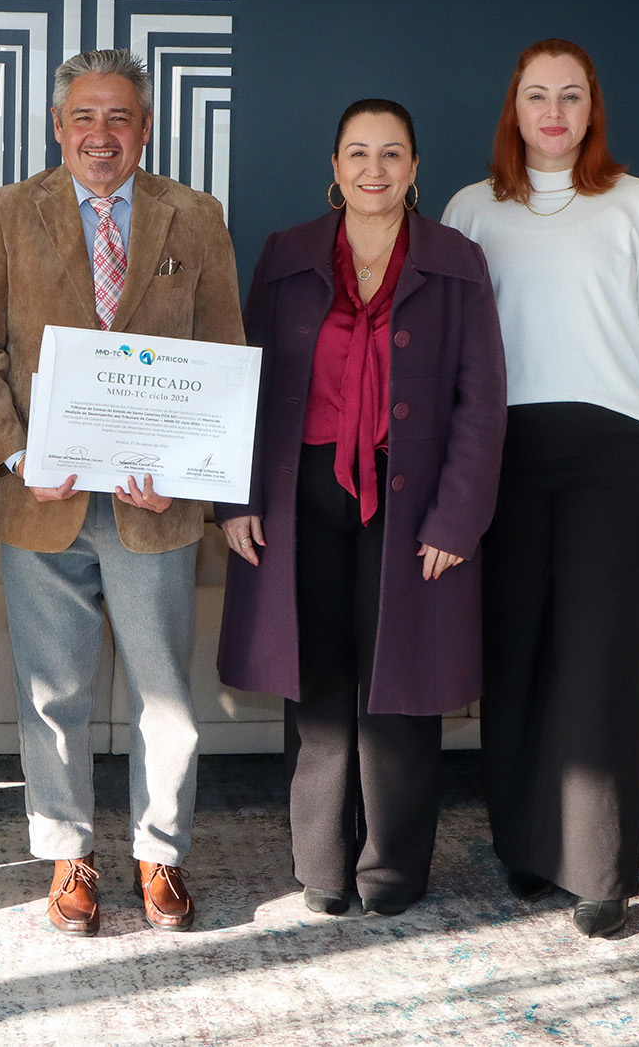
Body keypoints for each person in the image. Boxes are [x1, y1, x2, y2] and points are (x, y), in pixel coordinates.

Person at [0, 48, 245, 935]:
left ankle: (159, 855)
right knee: (53, 694)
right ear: (57, 127)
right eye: (84, 117)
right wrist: (16, 456)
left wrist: (190, 472)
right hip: (43, 501)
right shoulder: (9, 212)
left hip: (153, 509)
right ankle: (68, 854)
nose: (101, 135)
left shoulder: (193, 217)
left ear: (145, 128)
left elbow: (222, 361)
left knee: (165, 696)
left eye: (119, 117)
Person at [442, 38, 639, 939]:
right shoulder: (471, 211)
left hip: (616, 457)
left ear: (592, 110)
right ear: (510, 111)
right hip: (502, 455)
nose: (552, 113)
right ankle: (525, 846)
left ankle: (600, 870)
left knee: (595, 659)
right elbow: (447, 358)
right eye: (534, 97)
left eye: (570, 97)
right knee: (512, 656)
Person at [216, 99, 506, 917]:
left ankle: (390, 868)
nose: (372, 168)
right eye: (356, 152)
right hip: (300, 492)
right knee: (316, 678)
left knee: (401, 685)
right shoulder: (286, 255)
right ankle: (322, 865)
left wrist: (457, 518)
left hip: (410, 500)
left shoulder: (456, 260)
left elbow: (481, 400)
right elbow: (250, 384)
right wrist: (236, 499)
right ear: (333, 167)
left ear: (415, 169)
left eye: (390, 154)